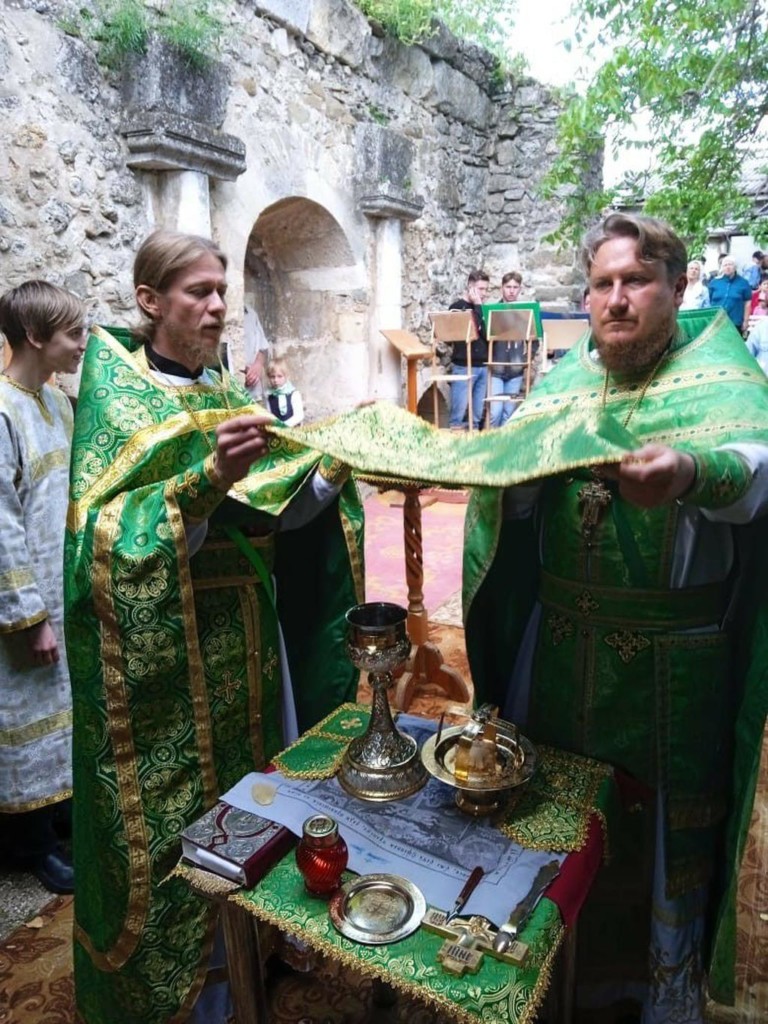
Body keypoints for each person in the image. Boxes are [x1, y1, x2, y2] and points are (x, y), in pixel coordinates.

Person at [465, 213, 768, 1022]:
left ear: (675, 288)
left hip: (676, 662)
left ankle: (656, 994)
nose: (617, 300)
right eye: (602, 285)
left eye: (635, 281)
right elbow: (514, 497)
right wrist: (510, 473)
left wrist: (691, 472)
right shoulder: (566, 380)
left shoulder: (724, 377)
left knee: (662, 833)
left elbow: (757, 472)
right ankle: (558, 984)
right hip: (559, 646)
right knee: (557, 825)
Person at [65, 231, 363, 1024]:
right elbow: (104, 537)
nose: (217, 305)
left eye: (221, 291)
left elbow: (278, 509)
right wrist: (205, 480)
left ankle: (253, 954)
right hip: (166, 668)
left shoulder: (227, 391)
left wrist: (334, 461)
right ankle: (195, 991)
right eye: (198, 291)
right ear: (150, 302)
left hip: (250, 645)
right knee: (180, 832)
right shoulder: (121, 399)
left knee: (258, 800)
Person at [0, 281, 86, 895]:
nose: (83, 345)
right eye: (73, 334)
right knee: (27, 715)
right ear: (35, 337)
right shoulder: (3, 411)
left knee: (64, 709)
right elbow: (1, 523)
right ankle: (33, 846)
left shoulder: (56, 402)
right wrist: (30, 617)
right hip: (27, 598)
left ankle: (60, 816)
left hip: (64, 585)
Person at [447, 269, 489, 430]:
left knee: (477, 414)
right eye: (480, 289)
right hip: (464, 365)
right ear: (470, 287)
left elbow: (486, 334)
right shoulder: (457, 308)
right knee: (458, 412)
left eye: (486, 289)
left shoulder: (484, 309)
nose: (484, 294)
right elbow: (474, 328)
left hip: (483, 365)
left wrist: (480, 307)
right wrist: (477, 305)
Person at [487, 271, 529, 428]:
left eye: (515, 287)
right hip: (496, 370)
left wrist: (525, 359)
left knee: (509, 415)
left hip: (515, 372)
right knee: (495, 412)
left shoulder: (525, 312)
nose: (511, 290)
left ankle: (503, 447)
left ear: (519, 289)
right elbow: (486, 338)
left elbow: (534, 338)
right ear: (502, 288)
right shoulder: (493, 311)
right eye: (508, 287)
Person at [707, 255, 752, 334]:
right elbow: (709, 300)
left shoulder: (743, 283)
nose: (727, 267)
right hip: (715, 322)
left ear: (735, 267)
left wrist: (745, 321)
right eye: (725, 265)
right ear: (722, 267)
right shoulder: (714, 282)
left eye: (730, 264)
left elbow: (747, 303)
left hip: (735, 322)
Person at [265, 356, 304, 426]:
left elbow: (299, 416)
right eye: (272, 377)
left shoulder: (294, 394)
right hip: (276, 431)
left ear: (286, 376)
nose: (276, 380)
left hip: (293, 431)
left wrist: (283, 426)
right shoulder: (270, 396)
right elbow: (269, 415)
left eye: (279, 376)